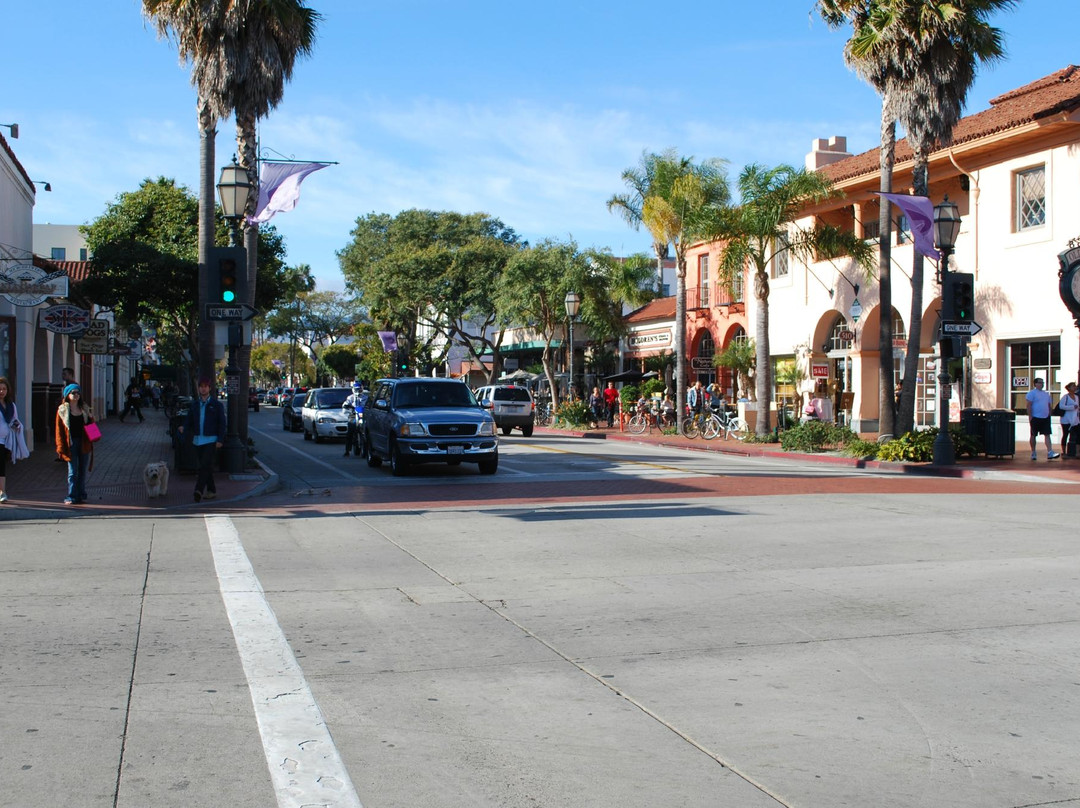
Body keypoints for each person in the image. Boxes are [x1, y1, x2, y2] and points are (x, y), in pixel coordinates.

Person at [178, 377, 226, 501]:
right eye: (201, 386)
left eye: (205, 386)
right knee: (206, 466)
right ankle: (211, 490)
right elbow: (189, 420)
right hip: (198, 440)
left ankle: (198, 490)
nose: (203, 389)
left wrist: (220, 439)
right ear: (198, 388)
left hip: (211, 440)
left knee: (204, 465)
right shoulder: (195, 405)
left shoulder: (216, 405)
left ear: (209, 388)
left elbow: (222, 423)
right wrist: (184, 427)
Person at [55, 383, 95, 505]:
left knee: (82, 470)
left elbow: (92, 428)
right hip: (71, 444)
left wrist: (90, 418)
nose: (76, 395)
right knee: (72, 472)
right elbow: (59, 431)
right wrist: (60, 447)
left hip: (84, 443)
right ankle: (71, 495)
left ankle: (81, 494)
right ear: (67, 395)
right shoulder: (62, 410)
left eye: (78, 392)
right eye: (73, 393)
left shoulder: (84, 408)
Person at [0, 376, 29, 503]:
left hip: (6, 441)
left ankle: (2, 492)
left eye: (4, 389)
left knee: (1, 466)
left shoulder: (11, 405)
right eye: (0, 389)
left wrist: (16, 425)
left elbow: (14, 420)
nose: (2, 391)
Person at [1025, 377, 1059, 460]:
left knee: (1047, 434)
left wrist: (1049, 415)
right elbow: (1029, 405)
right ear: (1035, 384)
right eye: (1039, 382)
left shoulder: (1046, 394)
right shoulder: (1031, 393)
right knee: (1033, 435)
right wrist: (1030, 416)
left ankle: (1050, 452)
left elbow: (1049, 405)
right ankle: (1033, 452)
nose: (1041, 384)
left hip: (1045, 417)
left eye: (1042, 382)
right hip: (1035, 417)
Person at [1057, 381, 1079, 457]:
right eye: (1073, 386)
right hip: (1066, 420)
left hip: (1075, 419)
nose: (1075, 387)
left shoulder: (1076, 397)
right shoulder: (1065, 397)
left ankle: (1077, 452)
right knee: (1065, 435)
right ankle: (1064, 452)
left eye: (1075, 386)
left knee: (1077, 435)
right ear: (1069, 388)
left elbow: (1077, 407)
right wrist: (1072, 407)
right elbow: (1061, 406)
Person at [343, 381, 365, 457]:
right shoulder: (350, 398)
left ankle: (368, 448)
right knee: (350, 432)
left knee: (367, 430)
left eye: (359, 389)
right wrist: (347, 407)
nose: (358, 391)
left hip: (362, 415)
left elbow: (368, 405)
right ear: (353, 389)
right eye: (356, 389)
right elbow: (345, 405)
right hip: (353, 415)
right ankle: (347, 450)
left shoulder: (365, 397)